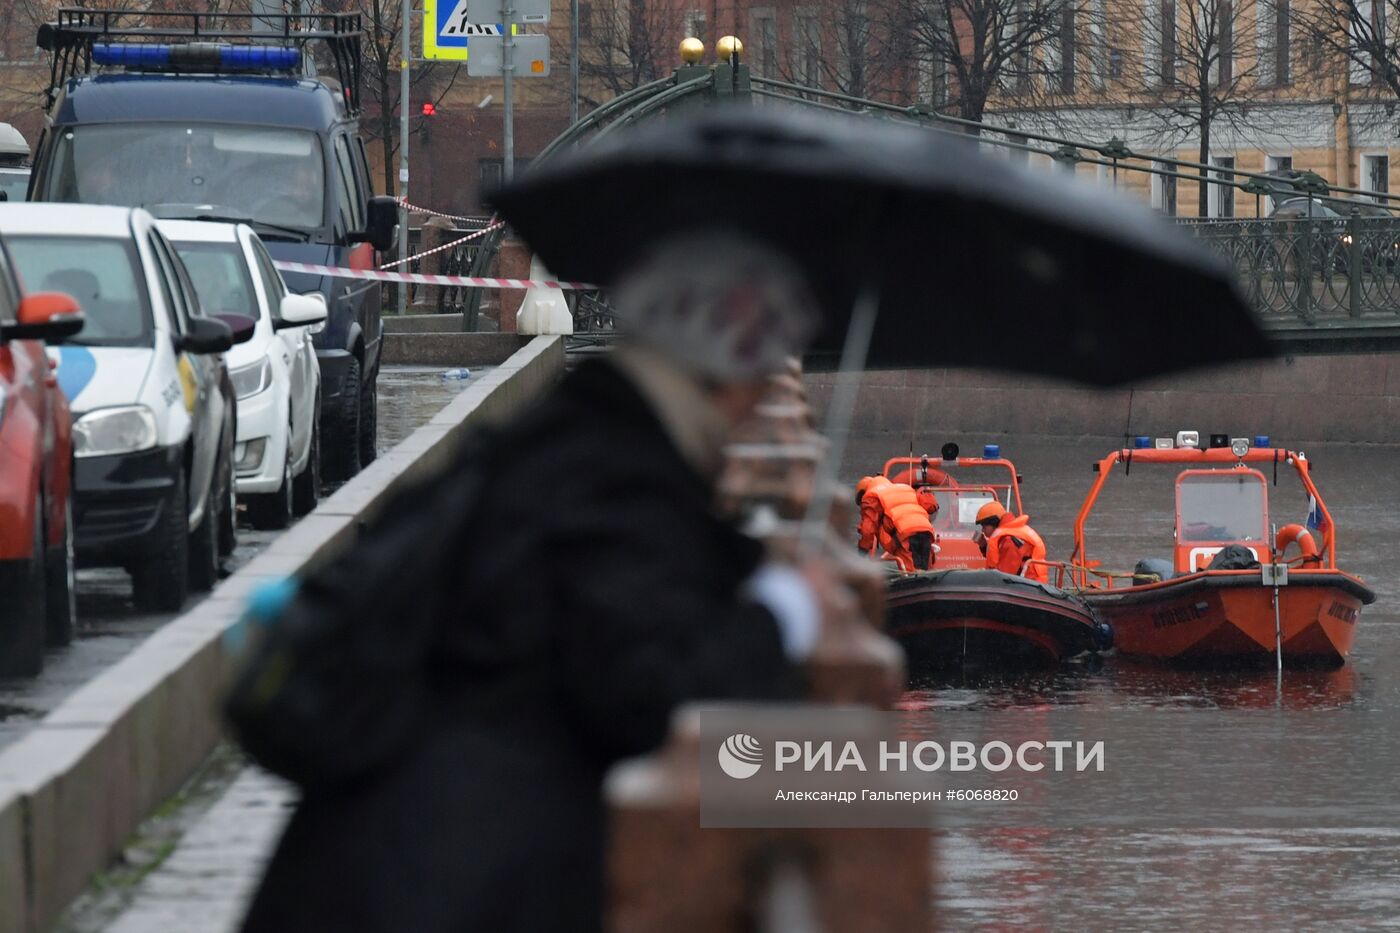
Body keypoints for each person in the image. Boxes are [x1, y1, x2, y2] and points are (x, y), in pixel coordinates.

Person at [239, 233, 863, 933]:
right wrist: (786, 609)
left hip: (371, 853)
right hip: (453, 879)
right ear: (725, 369)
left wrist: (736, 559)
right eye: (762, 372)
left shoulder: (558, 439)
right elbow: (646, 687)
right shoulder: (620, 480)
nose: (761, 399)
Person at [975, 500, 1048, 582]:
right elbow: (1000, 560)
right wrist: (984, 546)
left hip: (1027, 586)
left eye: (984, 527)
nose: (982, 530)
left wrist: (981, 575)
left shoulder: (1010, 540)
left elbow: (1004, 576)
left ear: (993, 522)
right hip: (1029, 583)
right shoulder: (1010, 535)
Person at [870, 481, 935, 572]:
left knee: (910, 570)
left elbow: (870, 529)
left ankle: (914, 576)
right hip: (926, 529)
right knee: (925, 566)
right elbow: (931, 506)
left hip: (905, 532)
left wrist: (862, 550)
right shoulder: (910, 491)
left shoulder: (877, 499)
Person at [855, 473, 892, 555]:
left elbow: (867, 530)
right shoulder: (899, 491)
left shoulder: (871, 499)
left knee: (910, 561)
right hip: (919, 526)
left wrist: (862, 550)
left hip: (905, 534)